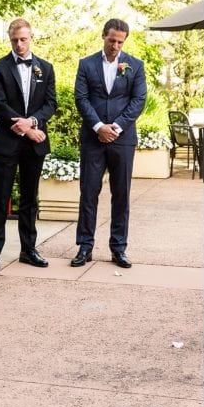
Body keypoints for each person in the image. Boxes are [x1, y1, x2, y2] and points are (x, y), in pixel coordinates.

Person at [71, 19, 147, 269]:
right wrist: (98, 127)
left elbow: (139, 100)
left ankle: (118, 248)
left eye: (120, 42)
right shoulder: (86, 64)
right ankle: (85, 246)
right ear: (103, 36)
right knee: (88, 193)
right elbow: (81, 98)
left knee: (121, 194)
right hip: (93, 139)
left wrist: (116, 127)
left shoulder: (136, 65)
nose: (115, 46)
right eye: (111, 40)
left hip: (122, 140)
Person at [0, 18, 57, 271]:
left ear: (31, 37)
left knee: (30, 198)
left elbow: (50, 103)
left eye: (23, 39)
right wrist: (28, 130)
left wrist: (32, 123)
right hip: (7, 142)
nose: (19, 44)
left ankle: (28, 249)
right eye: (14, 40)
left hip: (35, 145)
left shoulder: (45, 68)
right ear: (10, 39)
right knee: (1, 197)